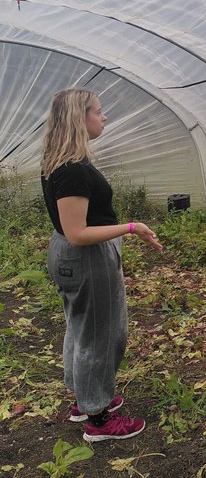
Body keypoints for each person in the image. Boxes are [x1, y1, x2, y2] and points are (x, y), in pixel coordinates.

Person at [41, 88, 163, 442]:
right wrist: (131, 227)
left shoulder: (59, 159)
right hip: (84, 256)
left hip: (67, 254)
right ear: (80, 118)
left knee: (81, 328)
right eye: (98, 110)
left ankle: (84, 399)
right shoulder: (73, 170)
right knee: (101, 334)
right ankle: (98, 418)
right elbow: (78, 232)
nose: (104, 116)